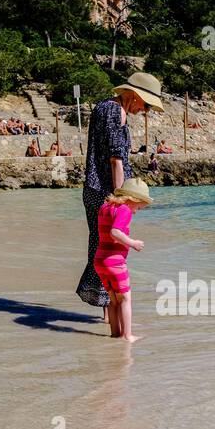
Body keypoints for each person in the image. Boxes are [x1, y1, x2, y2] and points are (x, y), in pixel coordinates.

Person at [78, 71, 163, 308]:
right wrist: (120, 198)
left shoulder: (104, 107)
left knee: (100, 247)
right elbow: (116, 160)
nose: (145, 111)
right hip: (106, 191)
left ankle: (107, 311)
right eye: (146, 105)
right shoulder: (117, 112)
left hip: (94, 188)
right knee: (110, 249)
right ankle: (110, 308)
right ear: (135, 95)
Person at [94, 178, 152, 342]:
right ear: (133, 199)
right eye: (139, 206)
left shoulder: (105, 207)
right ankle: (128, 335)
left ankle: (116, 333)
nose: (136, 211)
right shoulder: (124, 209)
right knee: (126, 298)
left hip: (100, 261)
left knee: (113, 300)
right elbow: (115, 232)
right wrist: (133, 243)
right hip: (115, 262)